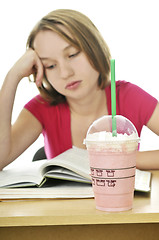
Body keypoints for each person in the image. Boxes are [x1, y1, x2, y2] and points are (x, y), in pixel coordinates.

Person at [0, 9, 159, 171]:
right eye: (51, 65)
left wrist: (125, 159)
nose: (65, 73)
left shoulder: (128, 97)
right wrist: (13, 76)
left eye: (72, 55)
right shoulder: (41, 108)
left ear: (94, 47)